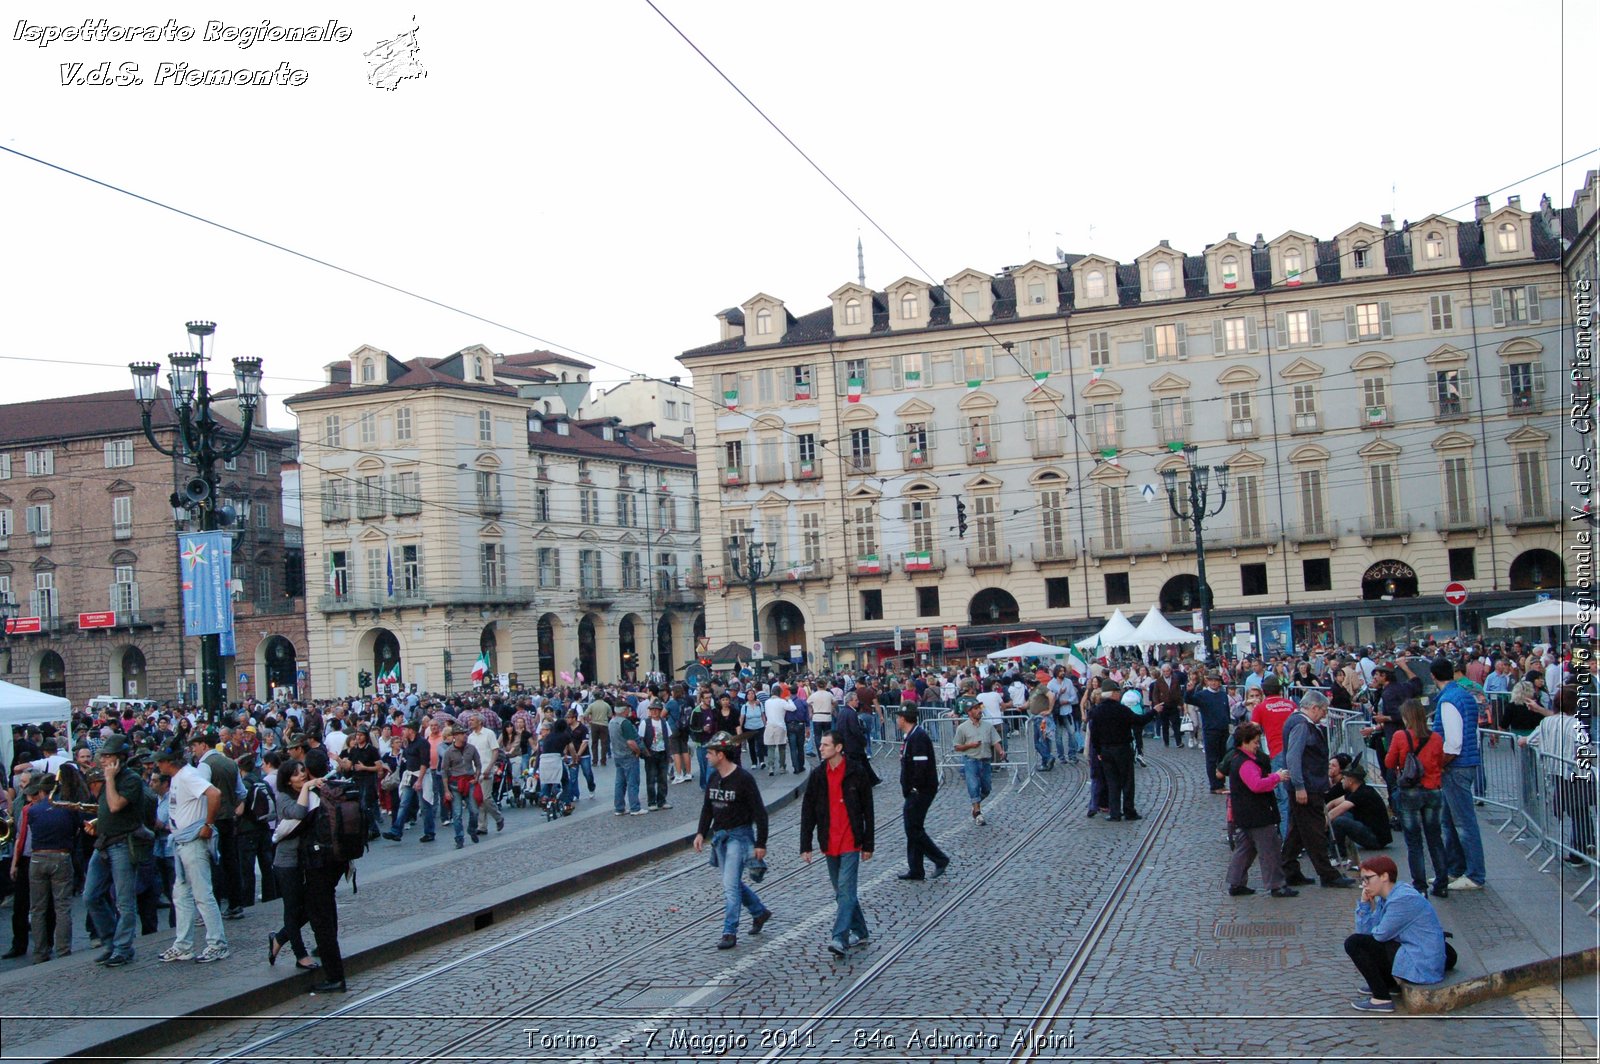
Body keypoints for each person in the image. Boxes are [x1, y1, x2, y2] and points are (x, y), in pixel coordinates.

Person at [1346, 855, 1457, 1012]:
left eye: (1367, 879)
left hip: (1422, 964)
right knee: (1362, 941)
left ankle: (1381, 998)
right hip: (1414, 952)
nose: (1364, 885)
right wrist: (1364, 904)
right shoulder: (1387, 897)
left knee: (1353, 943)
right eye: (1362, 880)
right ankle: (1389, 984)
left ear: (1384, 876)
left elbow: (1378, 935)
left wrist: (1375, 928)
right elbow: (1367, 933)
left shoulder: (1402, 899)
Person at [693, 732, 772, 950]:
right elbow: (707, 808)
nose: (706, 757)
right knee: (734, 883)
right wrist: (701, 833)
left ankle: (729, 931)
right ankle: (759, 912)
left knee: (729, 885)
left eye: (710, 753)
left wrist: (761, 843)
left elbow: (760, 812)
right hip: (720, 837)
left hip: (739, 835)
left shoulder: (744, 779)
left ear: (721, 755)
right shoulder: (713, 778)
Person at [800, 730, 875, 956]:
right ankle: (860, 930)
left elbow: (867, 810)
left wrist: (868, 844)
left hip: (851, 840)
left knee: (844, 889)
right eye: (821, 745)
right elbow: (808, 811)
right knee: (843, 891)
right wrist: (806, 845)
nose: (820, 748)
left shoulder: (856, 772)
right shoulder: (818, 775)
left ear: (838, 748)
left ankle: (839, 937)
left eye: (825, 745)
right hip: (829, 840)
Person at [153, 748, 230, 964]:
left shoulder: (188, 775)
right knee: (183, 895)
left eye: (160, 761)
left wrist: (208, 824)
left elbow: (214, 793)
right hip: (184, 841)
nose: (157, 766)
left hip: (192, 841)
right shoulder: (182, 775)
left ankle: (217, 944)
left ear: (169, 762)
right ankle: (183, 945)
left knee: (202, 894)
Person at [1280, 690, 1355, 888]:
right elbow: (1293, 757)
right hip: (1307, 786)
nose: (1324, 714)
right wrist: (1299, 786)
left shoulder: (1298, 722)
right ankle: (1328, 874)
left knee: (1297, 831)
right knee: (1314, 832)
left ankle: (1289, 869)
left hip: (1308, 783)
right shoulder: (1302, 725)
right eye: (1323, 710)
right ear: (1314, 708)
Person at [84, 734, 144, 966]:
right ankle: (111, 941)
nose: (102, 760)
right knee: (90, 896)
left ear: (120, 758)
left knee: (124, 901)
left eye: (107, 756)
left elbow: (115, 805)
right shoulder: (110, 777)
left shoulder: (131, 780)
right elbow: (106, 812)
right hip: (104, 843)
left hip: (122, 844)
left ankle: (122, 948)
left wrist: (109, 780)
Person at [1220, 723, 1296, 898]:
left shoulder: (1238, 759)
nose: (1257, 745)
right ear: (1244, 742)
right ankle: (1277, 885)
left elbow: (1254, 782)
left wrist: (1272, 777)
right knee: (1270, 849)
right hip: (1257, 814)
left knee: (1245, 849)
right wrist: (1276, 777)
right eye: (1255, 742)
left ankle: (1236, 882)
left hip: (1245, 813)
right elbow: (1256, 785)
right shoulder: (1245, 762)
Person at [1522, 685, 1595, 863]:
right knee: (1580, 811)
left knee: (1575, 811)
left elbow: (1530, 740)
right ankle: (1581, 849)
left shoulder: (1547, 723)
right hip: (1576, 773)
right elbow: (1585, 749)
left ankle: (1584, 845)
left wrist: (1523, 740)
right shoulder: (1575, 725)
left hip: (1556, 772)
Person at [1431, 657, 1486, 891]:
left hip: (1455, 766)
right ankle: (1454, 869)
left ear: (1433, 676)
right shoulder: (1464, 695)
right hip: (1466, 763)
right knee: (1450, 821)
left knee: (1462, 822)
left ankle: (1474, 874)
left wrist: (1440, 764)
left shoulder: (1448, 700)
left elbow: (1453, 743)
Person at [1385, 698, 1450, 896]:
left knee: (1414, 842)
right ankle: (1442, 883)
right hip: (1433, 790)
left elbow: (1389, 762)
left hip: (1410, 791)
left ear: (1406, 717)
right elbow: (1440, 762)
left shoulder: (1400, 736)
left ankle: (1420, 886)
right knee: (1435, 838)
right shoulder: (1436, 737)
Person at [297, 749, 348, 993]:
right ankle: (334, 970)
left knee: (321, 918)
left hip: (320, 860)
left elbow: (296, 822)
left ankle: (334, 975)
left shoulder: (315, 793)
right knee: (327, 909)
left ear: (307, 770)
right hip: (338, 858)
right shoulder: (336, 788)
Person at [15, 775, 79, 962]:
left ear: (42, 791)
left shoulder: (34, 810)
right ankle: (63, 950)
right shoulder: (67, 808)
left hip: (37, 857)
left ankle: (40, 952)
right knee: (62, 907)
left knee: (37, 908)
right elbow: (75, 831)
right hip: (61, 854)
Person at [267, 759, 320, 971]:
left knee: (309, 907)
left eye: (303, 773)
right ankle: (300, 955)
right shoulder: (283, 798)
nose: (302, 776)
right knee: (292, 908)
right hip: (286, 862)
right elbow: (298, 813)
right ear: (288, 780)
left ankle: (278, 938)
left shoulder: (306, 793)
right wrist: (308, 787)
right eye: (298, 774)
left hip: (305, 859)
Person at [189, 730, 246, 920]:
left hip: (212, 820)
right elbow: (242, 792)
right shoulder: (230, 763)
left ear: (204, 745)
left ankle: (214, 907)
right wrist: (231, 805)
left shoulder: (205, 765)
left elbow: (201, 794)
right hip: (228, 817)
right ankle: (236, 903)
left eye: (195, 746)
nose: (193, 750)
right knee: (230, 860)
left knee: (213, 863)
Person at [895, 706, 949, 881]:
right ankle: (916, 869)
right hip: (916, 790)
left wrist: (915, 788)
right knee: (912, 827)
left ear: (904, 718)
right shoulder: (912, 736)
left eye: (898, 717)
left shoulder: (918, 737)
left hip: (921, 790)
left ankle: (939, 858)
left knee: (913, 828)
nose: (897, 720)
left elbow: (921, 766)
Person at [1088, 684, 1141, 821]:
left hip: (1105, 750)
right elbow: (1138, 721)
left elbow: (1094, 734)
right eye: (1118, 692)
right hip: (1122, 748)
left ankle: (1115, 813)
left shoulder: (1097, 711)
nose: (1120, 694)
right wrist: (1154, 711)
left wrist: (1098, 750)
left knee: (1112, 783)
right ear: (1114, 694)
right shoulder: (1122, 710)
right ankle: (1129, 811)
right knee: (1127, 781)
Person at [1324, 763, 1393, 865]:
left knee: (1339, 821)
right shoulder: (1358, 790)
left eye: (1344, 778)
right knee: (1341, 817)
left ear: (1351, 781)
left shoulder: (1362, 793)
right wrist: (1323, 812)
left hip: (1377, 839)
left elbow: (1336, 811)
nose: (1342, 780)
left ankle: (1338, 857)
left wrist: (1322, 824)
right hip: (1370, 831)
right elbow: (1333, 803)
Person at [382, 720, 436, 843]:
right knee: (404, 803)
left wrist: (420, 780)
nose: (403, 732)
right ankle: (396, 830)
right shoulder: (409, 743)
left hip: (420, 775)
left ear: (411, 730)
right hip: (410, 775)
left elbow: (424, 763)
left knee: (424, 805)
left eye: (405, 730)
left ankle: (429, 832)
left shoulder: (422, 743)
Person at [952, 700, 1001, 826]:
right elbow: (957, 747)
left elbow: (995, 740)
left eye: (979, 708)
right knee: (973, 786)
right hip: (971, 760)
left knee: (986, 788)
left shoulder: (988, 726)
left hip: (985, 760)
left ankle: (975, 804)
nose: (979, 711)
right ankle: (978, 812)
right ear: (969, 712)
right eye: (975, 709)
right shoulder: (962, 728)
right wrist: (970, 745)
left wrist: (1001, 751)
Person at [1186, 671, 1233, 794]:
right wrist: (1189, 690)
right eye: (1211, 680)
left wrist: (1228, 724)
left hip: (1223, 730)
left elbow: (1226, 711)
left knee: (1222, 758)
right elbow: (1189, 699)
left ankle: (1221, 783)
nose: (1213, 683)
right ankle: (1215, 785)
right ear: (1207, 682)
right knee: (1212, 759)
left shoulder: (1223, 695)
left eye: (1216, 681)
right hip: (1210, 731)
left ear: (1219, 682)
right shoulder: (1203, 694)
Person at [439, 726, 483, 848]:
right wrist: (446, 790)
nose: (465, 736)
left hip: (469, 781)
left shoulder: (471, 748)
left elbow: (478, 764)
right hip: (455, 783)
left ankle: (472, 828)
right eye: (462, 734)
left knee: (474, 810)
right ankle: (459, 837)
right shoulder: (449, 752)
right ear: (455, 736)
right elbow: (444, 771)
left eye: (465, 733)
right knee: (457, 813)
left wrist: (477, 776)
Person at [466, 715, 505, 833]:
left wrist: (490, 766)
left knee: (486, 797)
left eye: (472, 720)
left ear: (480, 722)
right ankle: (482, 826)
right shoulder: (471, 737)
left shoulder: (489, 734)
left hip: (486, 769)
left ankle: (498, 817)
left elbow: (495, 751)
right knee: (478, 799)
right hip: (474, 771)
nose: (470, 722)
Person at [609, 703, 644, 816]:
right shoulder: (625, 723)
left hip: (617, 755)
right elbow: (630, 741)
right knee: (632, 782)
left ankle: (619, 808)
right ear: (624, 710)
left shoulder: (612, 722)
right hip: (628, 755)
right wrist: (638, 751)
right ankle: (635, 807)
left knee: (620, 783)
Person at [639, 701, 674, 811]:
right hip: (651, 754)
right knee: (651, 779)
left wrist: (669, 753)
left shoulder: (664, 722)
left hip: (662, 752)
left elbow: (668, 738)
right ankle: (651, 801)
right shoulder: (645, 723)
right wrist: (645, 752)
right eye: (652, 709)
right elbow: (640, 739)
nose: (654, 711)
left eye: (656, 710)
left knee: (662, 779)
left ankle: (662, 800)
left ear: (660, 711)